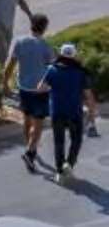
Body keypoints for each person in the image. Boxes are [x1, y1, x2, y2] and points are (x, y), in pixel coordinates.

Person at [9, 12, 55, 171]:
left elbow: (11, 64)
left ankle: (29, 144)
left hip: (23, 88)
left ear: (31, 26)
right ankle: (30, 152)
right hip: (40, 90)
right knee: (38, 123)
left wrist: (4, 83)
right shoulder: (45, 46)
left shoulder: (20, 42)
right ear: (44, 28)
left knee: (27, 119)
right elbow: (52, 69)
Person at [47, 43, 94, 183]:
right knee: (76, 139)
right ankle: (69, 163)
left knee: (59, 141)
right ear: (74, 55)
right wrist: (92, 111)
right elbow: (88, 94)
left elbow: (40, 88)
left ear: (60, 55)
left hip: (57, 111)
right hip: (74, 112)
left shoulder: (51, 69)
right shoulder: (81, 72)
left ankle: (59, 172)